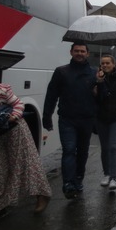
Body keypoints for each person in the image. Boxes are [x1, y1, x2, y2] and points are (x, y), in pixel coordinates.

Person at [43, 41, 97, 199]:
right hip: (67, 119)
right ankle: (68, 183)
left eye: (82, 51)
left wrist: (100, 86)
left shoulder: (94, 73)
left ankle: (78, 179)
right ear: (71, 52)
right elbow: (51, 95)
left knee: (82, 152)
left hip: (86, 119)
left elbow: (102, 97)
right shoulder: (61, 72)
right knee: (68, 150)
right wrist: (47, 116)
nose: (79, 53)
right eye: (76, 51)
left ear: (87, 53)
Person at [0, 81, 52, 217]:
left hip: (14, 128)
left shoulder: (0, 89)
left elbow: (19, 104)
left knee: (26, 161)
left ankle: (41, 194)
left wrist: (13, 117)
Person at [94, 54, 116, 191]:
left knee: (113, 147)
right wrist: (99, 83)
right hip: (101, 117)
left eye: (108, 63)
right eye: (103, 63)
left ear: (114, 64)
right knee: (104, 148)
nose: (105, 65)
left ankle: (113, 177)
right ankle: (106, 174)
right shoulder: (98, 79)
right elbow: (98, 98)